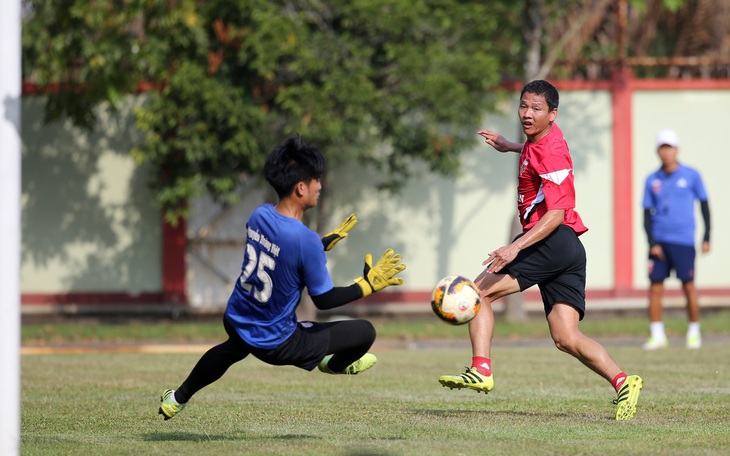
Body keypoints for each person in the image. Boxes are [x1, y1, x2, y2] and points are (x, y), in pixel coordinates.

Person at [158, 134, 406, 420]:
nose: (320, 186)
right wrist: (366, 286)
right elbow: (324, 300)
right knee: (365, 332)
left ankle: (176, 398)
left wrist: (320, 244)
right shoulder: (304, 240)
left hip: (238, 318)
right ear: (301, 188)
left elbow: (280, 254)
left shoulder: (259, 215)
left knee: (232, 350)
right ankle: (334, 365)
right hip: (277, 342)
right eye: (316, 180)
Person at [437, 80, 642, 420]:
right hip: (567, 247)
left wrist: (514, 247)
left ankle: (482, 369)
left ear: (553, 113)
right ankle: (623, 382)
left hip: (553, 239)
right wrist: (510, 146)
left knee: (476, 294)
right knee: (565, 336)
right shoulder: (543, 138)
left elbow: (558, 212)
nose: (527, 114)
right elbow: (537, 154)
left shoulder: (551, 150)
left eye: (536, 109)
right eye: (523, 106)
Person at [641, 128, 710, 350]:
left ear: (676, 149)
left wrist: (707, 236)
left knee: (688, 286)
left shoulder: (692, 175)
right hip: (660, 241)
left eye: (669, 147)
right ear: (658, 151)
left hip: (684, 240)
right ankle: (657, 334)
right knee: (655, 288)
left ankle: (693, 331)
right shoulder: (652, 179)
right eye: (662, 147)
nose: (666, 152)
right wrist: (652, 243)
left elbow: (704, 205)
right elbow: (646, 214)